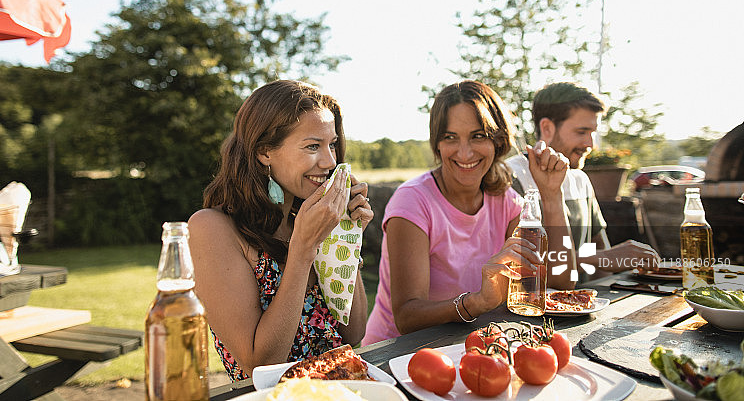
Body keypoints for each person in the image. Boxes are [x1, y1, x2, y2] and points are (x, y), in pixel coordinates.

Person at [188, 80, 374, 381]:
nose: (330, 161)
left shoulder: (308, 217)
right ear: (264, 152)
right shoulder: (211, 228)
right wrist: (303, 249)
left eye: (332, 145)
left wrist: (347, 238)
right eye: (312, 146)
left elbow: (352, 334)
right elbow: (259, 364)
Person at [362, 80, 572, 345]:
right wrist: (478, 302)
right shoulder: (412, 201)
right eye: (450, 137)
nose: (464, 153)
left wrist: (552, 195)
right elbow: (407, 318)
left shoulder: (506, 202)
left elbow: (562, 282)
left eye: (478, 136)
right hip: (398, 354)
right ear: (437, 144)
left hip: (471, 347)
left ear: (498, 140)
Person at [506, 82, 660, 276]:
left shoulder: (581, 180)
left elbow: (603, 265)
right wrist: (598, 258)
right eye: (581, 132)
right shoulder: (510, 178)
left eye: (593, 133)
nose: (590, 144)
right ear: (547, 128)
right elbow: (519, 266)